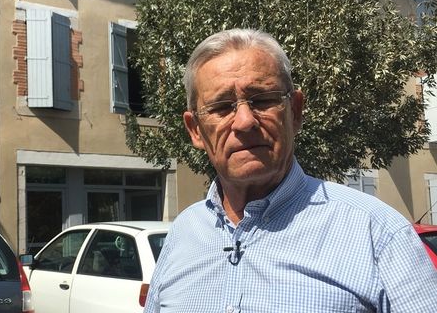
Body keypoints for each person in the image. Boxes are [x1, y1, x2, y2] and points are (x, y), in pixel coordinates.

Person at [144, 28, 437, 313]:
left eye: (262, 100)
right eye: (222, 107)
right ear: (195, 130)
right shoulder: (182, 235)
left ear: (295, 111)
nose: (244, 121)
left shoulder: (378, 234)